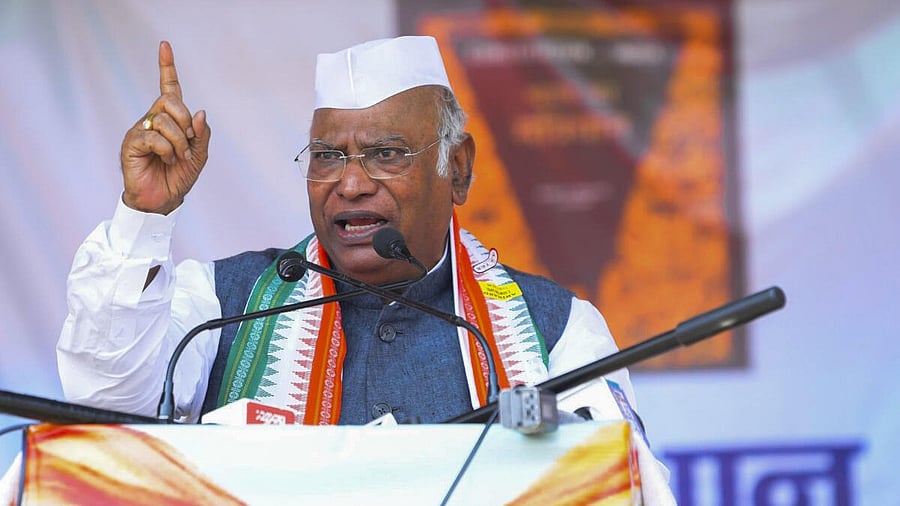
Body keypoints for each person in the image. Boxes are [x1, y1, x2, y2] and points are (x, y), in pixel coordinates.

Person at [56, 36, 638, 427]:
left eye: (385, 154)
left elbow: (617, 479)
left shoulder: (555, 331)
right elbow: (104, 411)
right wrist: (144, 217)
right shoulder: (219, 304)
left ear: (456, 168)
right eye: (328, 156)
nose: (350, 184)